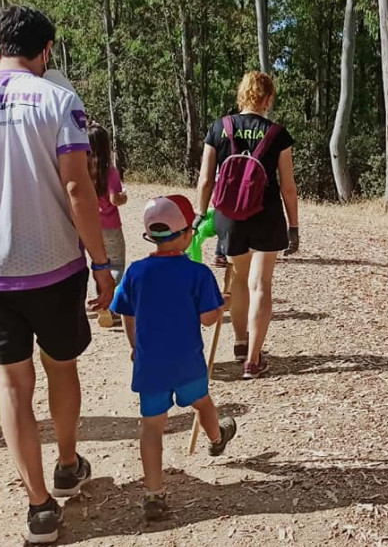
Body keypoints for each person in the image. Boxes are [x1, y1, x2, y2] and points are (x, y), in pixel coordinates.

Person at [0, 6, 114, 544]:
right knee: (61, 368)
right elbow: (78, 189)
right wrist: (102, 265)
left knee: (12, 385)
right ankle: (68, 465)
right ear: (46, 50)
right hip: (52, 266)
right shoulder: (58, 100)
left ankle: (39, 508)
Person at [111, 195, 238, 521]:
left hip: (150, 364)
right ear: (185, 236)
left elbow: (126, 312)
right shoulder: (197, 274)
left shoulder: (136, 272)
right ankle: (215, 438)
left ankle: (154, 494)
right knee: (202, 402)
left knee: (151, 427)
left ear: (150, 236)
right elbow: (209, 319)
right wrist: (221, 302)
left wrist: (134, 345)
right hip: (187, 362)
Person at [196, 71, 300, 379]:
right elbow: (288, 187)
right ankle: (253, 360)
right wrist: (293, 226)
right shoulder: (278, 134)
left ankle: (240, 342)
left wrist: (201, 215)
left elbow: (205, 179)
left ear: (242, 95)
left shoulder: (219, 128)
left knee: (239, 281)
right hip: (266, 215)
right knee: (260, 285)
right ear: (268, 99)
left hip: (230, 216)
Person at [87, 122, 128, 328]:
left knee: (99, 264)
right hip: (111, 226)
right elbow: (115, 199)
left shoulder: (83, 170)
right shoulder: (109, 171)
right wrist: (124, 196)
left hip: (89, 227)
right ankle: (111, 306)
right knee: (116, 265)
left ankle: (101, 303)